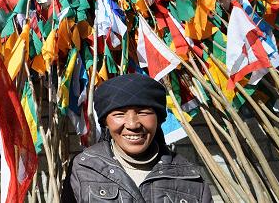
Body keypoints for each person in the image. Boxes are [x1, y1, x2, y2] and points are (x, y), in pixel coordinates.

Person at [61, 73, 212, 202]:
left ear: (158, 119)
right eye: (119, 114)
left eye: (143, 112)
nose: (133, 125)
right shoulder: (84, 167)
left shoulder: (189, 177)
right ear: (105, 122)